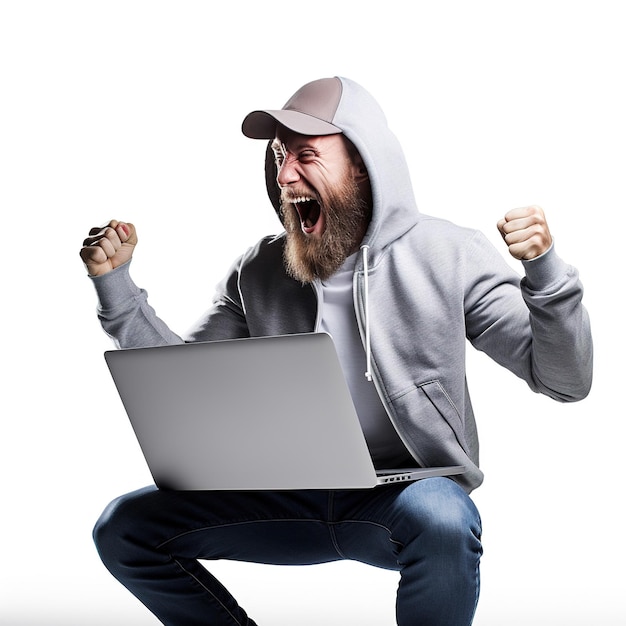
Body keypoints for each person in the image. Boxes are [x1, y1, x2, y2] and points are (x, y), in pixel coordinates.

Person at [80, 77, 593, 626]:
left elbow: (565, 380)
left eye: (305, 154)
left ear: (364, 164)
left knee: (445, 519)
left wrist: (544, 274)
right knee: (124, 529)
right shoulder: (258, 269)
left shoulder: (451, 255)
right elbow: (180, 381)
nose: (284, 175)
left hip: (401, 499)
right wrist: (118, 288)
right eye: (279, 156)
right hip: (286, 496)